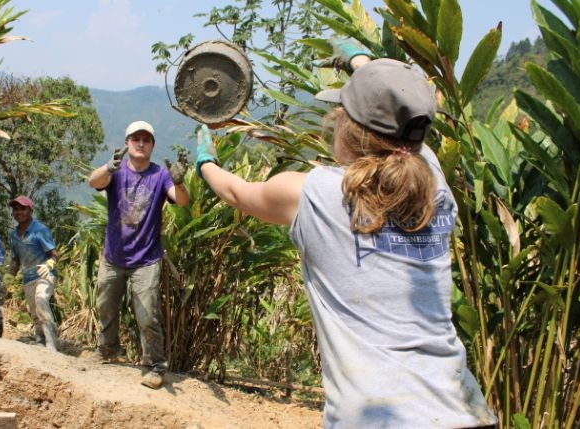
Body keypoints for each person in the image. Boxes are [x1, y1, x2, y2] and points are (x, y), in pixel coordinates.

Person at [194, 55, 498, 427]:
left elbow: (238, 193)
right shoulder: (433, 179)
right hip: (463, 412)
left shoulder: (314, 195)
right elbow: (400, 110)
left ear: (346, 130)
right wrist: (360, 62)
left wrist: (206, 161)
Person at [88, 120, 190, 389]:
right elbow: (93, 182)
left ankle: (155, 366)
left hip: (146, 259)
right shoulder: (116, 171)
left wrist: (180, 182)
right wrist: (109, 166)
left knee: (148, 316)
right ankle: (108, 349)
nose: (141, 143)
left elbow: (181, 201)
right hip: (113, 256)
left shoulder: (160, 176)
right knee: (106, 307)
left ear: (153, 145)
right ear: (127, 143)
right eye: (136, 139)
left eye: (146, 139)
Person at [5, 195, 60, 351]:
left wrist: (49, 264)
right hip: (28, 278)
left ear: (30, 210)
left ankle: (51, 344)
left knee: (41, 301)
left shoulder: (39, 230)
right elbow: (15, 261)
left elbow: (54, 254)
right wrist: (7, 280)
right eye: (15, 209)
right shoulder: (13, 235)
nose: (18, 212)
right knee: (35, 313)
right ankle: (40, 342)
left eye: (22, 209)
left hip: (44, 275)